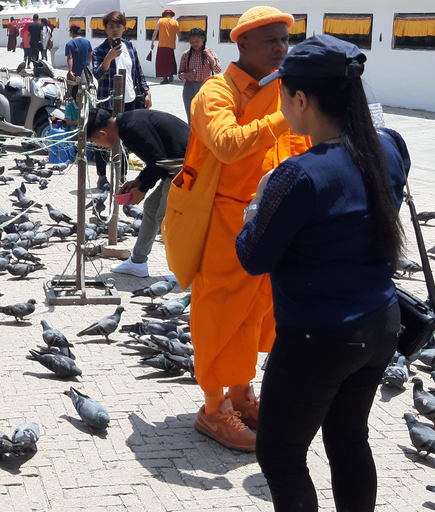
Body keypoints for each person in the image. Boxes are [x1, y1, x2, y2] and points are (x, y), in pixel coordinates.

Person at [236, 35, 408, 511]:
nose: (281, 104)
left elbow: (252, 257)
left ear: (302, 100)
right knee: (348, 438)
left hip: (319, 337)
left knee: (281, 455)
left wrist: (257, 206)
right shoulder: (389, 148)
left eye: (282, 94)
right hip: (380, 323)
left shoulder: (299, 175)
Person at [171, 6, 310, 452]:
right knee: (219, 313)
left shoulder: (283, 90)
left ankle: (241, 394)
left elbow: (302, 147)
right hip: (225, 221)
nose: (280, 49)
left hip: (270, 220)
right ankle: (212, 411)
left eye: (284, 41)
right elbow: (228, 145)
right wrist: (287, 114)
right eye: (270, 41)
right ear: (242, 44)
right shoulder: (216, 92)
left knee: (255, 312)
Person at [87, 108, 190, 278]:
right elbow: (156, 159)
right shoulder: (126, 124)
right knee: (151, 207)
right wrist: (139, 181)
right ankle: (138, 262)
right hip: (174, 166)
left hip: (186, 167)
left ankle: (186, 271)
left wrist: (142, 189)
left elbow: (158, 160)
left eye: (95, 141)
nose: (99, 146)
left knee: (166, 218)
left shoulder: (130, 127)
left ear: (103, 134)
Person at [92, 11, 151, 189]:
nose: (115, 30)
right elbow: (97, 74)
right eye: (111, 26)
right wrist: (108, 58)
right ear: (105, 29)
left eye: (118, 26)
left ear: (124, 28)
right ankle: (102, 176)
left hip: (129, 100)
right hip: (108, 101)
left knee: (126, 138)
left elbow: (138, 72)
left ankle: (121, 174)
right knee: (103, 139)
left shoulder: (130, 47)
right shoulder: (99, 51)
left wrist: (146, 91)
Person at [178, 28, 221, 123]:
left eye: (197, 41)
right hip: (189, 88)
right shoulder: (186, 55)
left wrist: (209, 55)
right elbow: (180, 73)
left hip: (204, 88)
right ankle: (192, 137)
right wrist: (186, 75)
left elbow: (218, 69)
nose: (194, 44)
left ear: (203, 39)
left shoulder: (210, 53)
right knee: (191, 117)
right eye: (192, 42)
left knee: (204, 117)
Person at [151, 10, 179, 84]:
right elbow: (179, 34)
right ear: (171, 15)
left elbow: (155, 32)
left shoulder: (161, 21)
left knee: (162, 62)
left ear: (164, 15)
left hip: (162, 45)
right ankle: (171, 74)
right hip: (171, 45)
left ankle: (165, 78)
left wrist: (152, 42)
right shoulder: (175, 22)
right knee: (170, 61)